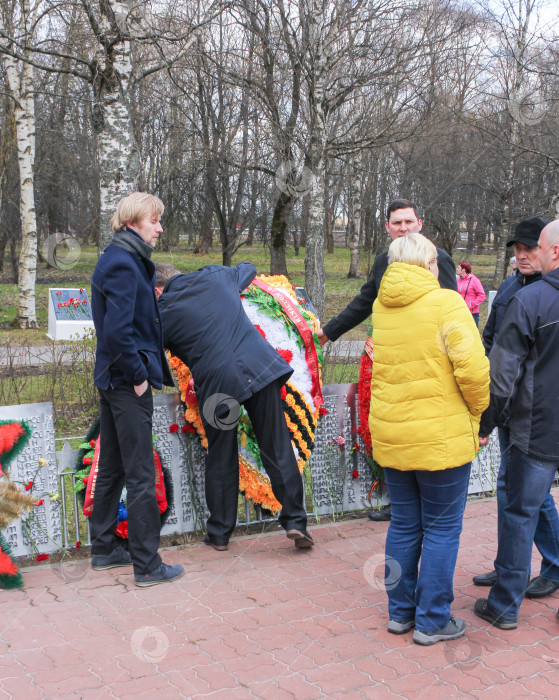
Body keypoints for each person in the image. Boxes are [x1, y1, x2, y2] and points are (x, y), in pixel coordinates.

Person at [369, 233, 489, 645]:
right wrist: (477, 412)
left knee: (403, 525)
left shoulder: (381, 308)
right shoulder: (446, 303)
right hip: (440, 437)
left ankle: (400, 613)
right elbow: (473, 373)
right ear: (429, 265)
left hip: (394, 434)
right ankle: (433, 619)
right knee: (441, 530)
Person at [155, 262, 313, 551]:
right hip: (260, 370)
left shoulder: (161, 311)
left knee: (222, 455)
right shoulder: (215, 276)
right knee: (276, 446)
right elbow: (248, 269)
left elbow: (151, 352)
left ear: (156, 290)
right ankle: (295, 522)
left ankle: (219, 534)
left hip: (217, 387)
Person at [317, 199, 458, 522]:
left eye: (409, 221)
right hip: (389, 366)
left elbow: (452, 313)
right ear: (387, 228)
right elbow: (364, 302)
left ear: (420, 223)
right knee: (393, 432)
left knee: (423, 433)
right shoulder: (384, 262)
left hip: (426, 369)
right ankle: (401, 503)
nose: (404, 228)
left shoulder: (438, 260)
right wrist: (329, 333)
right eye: (397, 223)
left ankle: (431, 504)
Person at [90, 192, 184, 587]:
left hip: (115, 380)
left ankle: (104, 548)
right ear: (132, 222)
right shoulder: (124, 263)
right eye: (154, 220)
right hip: (126, 382)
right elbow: (117, 332)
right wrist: (139, 376)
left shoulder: (123, 258)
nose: (160, 228)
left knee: (111, 464)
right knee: (141, 472)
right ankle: (147, 564)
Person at [474, 219, 559, 629]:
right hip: (535, 426)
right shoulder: (516, 293)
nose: (527, 255)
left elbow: (502, 375)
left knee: (520, 512)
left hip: (535, 429)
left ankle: (505, 605)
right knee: (521, 506)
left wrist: (485, 421)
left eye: (536, 248)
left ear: (554, 252)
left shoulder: (532, 301)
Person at [456, 261, 485, 327]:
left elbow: (482, 295)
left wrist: (471, 305)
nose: (456, 269)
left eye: (458, 268)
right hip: (460, 312)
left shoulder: (474, 280)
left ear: (463, 270)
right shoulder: (458, 280)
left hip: (472, 313)